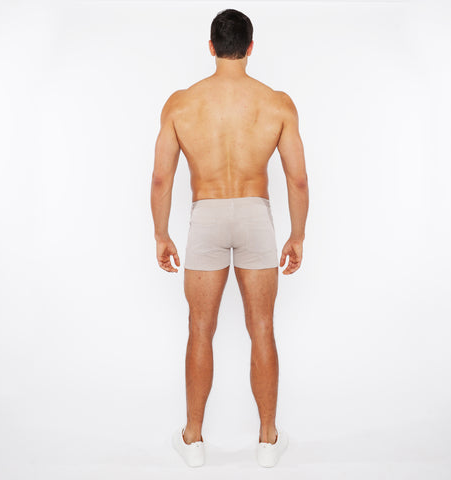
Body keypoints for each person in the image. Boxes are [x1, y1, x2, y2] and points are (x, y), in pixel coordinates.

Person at [150, 8, 309, 468]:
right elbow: (298, 180)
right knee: (262, 328)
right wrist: (297, 235)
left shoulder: (181, 104)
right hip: (256, 215)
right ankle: (268, 441)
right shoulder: (277, 103)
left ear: (211, 47)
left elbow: (161, 180)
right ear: (251, 47)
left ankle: (193, 441)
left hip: (207, 215)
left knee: (200, 329)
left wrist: (161, 234)